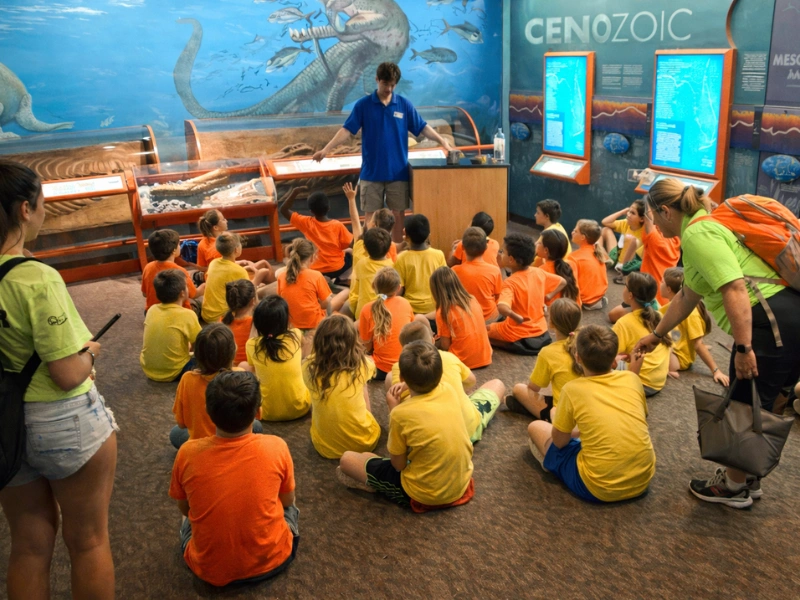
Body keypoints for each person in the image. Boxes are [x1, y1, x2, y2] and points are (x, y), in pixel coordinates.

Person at [634, 179, 800, 507]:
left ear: (665, 211)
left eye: (652, 214)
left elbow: (735, 289)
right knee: (761, 400)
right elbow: (687, 294)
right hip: (786, 316)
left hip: (769, 323)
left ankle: (734, 487)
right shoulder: (706, 227)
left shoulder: (698, 234)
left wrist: (743, 348)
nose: (652, 220)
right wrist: (657, 334)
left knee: (743, 401)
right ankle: (748, 477)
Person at [0, 159, 117, 599]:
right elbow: (67, 373)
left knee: (27, 547)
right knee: (88, 541)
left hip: (6, 424)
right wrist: (89, 352)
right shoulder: (37, 278)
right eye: (41, 201)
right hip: (61, 421)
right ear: (24, 210)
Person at [169, 370, 299, 587]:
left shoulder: (187, 453)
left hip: (208, 570)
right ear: (258, 412)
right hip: (275, 559)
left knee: (189, 515)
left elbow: (184, 509)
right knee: (289, 501)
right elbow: (286, 502)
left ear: (208, 412)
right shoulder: (277, 446)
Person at [313, 62, 453, 243]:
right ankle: (368, 251)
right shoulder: (363, 105)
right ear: (377, 80)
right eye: (385, 84)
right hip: (372, 172)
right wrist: (326, 149)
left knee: (398, 215)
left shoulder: (403, 105)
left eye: (392, 85)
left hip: (398, 172)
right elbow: (347, 130)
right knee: (370, 216)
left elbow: (422, 127)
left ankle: (395, 251)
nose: (388, 88)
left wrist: (443, 141)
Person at [337, 341, 475, 512]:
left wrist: (393, 408)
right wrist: (410, 385)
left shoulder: (400, 414)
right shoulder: (448, 389)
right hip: (461, 483)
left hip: (422, 495)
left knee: (346, 460)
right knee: (367, 457)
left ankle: (377, 484)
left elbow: (399, 465)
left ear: (402, 378)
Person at [528, 325, 656, 503]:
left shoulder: (572, 389)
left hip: (597, 487)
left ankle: (554, 465)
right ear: (614, 361)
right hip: (643, 480)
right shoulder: (632, 378)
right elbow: (641, 417)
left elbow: (560, 441)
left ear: (578, 358)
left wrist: (569, 426)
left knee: (535, 427)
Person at [385, 321, 503, 444]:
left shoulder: (399, 368)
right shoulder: (448, 357)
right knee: (497, 384)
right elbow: (471, 381)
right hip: (468, 429)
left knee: (390, 380)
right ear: (432, 340)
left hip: (430, 441)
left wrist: (392, 408)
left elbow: (399, 414)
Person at [170, 323, 263, 449]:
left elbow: (181, 423)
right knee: (256, 426)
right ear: (232, 351)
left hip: (201, 446)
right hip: (234, 439)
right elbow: (257, 415)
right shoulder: (241, 376)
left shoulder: (187, 379)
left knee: (176, 434)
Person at [304, 315, 380, 459]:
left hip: (325, 447)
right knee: (360, 386)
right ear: (353, 342)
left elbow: (309, 357)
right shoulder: (364, 365)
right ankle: (365, 420)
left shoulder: (308, 368)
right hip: (365, 442)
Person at [487, 232, 566, 355]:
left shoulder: (510, 283)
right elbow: (562, 281)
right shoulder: (538, 272)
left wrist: (516, 317)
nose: (500, 254)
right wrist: (549, 296)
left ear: (511, 259)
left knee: (485, 329)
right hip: (541, 329)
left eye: (503, 252)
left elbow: (502, 307)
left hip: (517, 333)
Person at [506, 298, 582, 421]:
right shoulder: (585, 342)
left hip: (565, 414)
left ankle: (540, 413)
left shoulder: (548, 352)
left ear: (551, 323)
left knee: (518, 389)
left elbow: (533, 388)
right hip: (588, 405)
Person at [244, 296, 311, 421]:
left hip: (267, 413)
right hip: (301, 408)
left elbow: (252, 368)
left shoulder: (252, 344)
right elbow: (304, 352)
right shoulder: (296, 335)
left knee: (244, 365)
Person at [661, 267, 729, 386]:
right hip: (675, 347)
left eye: (662, 282)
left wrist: (716, 371)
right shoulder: (677, 303)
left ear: (668, 289)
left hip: (678, 357)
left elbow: (698, 344)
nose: (659, 284)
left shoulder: (691, 313)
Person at [612, 272, 671, 397]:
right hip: (658, 382)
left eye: (625, 285)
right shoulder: (660, 317)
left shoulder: (624, 323)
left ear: (630, 295)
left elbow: (608, 356)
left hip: (639, 382)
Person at [140, 269, 202, 382]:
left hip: (148, 369)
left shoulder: (151, 310)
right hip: (175, 371)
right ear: (182, 293)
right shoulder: (188, 315)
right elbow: (199, 345)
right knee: (210, 352)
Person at [279, 189, 353, 283]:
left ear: (311, 211)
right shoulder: (337, 225)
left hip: (315, 269)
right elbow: (353, 244)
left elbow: (283, 210)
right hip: (336, 268)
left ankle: (323, 279)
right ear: (329, 207)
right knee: (351, 255)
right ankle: (342, 279)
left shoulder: (306, 222)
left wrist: (295, 192)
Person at [357, 267, 417, 380]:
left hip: (379, 369)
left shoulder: (366, 309)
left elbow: (367, 346)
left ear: (373, 286)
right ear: (398, 288)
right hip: (405, 366)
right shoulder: (405, 303)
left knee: (354, 356)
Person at [429, 266, 493, 369]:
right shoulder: (472, 299)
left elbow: (445, 346)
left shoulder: (443, 311)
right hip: (485, 357)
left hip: (461, 361)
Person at [196, 208, 274, 282]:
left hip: (213, 276)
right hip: (228, 278)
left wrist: (242, 262)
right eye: (223, 219)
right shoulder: (221, 245)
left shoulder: (201, 244)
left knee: (262, 265)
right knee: (264, 269)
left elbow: (202, 267)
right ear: (216, 227)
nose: (226, 221)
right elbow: (228, 267)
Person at [277, 238, 332, 339]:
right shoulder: (316, 275)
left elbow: (281, 300)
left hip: (290, 326)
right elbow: (326, 302)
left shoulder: (281, 276)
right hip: (313, 324)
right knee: (329, 303)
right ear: (311, 257)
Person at [394, 214, 447, 317]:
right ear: (429, 235)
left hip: (410, 312)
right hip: (434, 311)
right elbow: (443, 284)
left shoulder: (400, 258)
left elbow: (398, 290)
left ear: (406, 236)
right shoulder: (439, 255)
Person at [141, 228, 203, 313]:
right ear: (174, 250)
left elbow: (145, 294)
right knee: (197, 305)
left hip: (152, 312)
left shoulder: (148, 267)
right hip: (178, 313)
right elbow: (193, 294)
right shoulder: (180, 271)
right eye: (178, 244)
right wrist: (204, 286)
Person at [452, 226, 503, 322]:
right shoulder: (495, 271)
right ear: (486, 247)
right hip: (489, 318)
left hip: (465, 318)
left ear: (462, 247)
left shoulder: (454, 271)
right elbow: (498, 296)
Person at [202, 232, 255, 323]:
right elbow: (248, 293)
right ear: (236, 250)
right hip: (222, 317)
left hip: (206, 314)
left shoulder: (213, 263)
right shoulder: (239, 271)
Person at [344, 182, 398, 269]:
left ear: (373, 225)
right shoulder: (392, 247)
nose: (368, 221)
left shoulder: (360, 246)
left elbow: (355, 221)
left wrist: (351, 199)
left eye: (370, 219)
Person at [347, 227, 394, 319]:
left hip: (362, 313)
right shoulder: (393, 266)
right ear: (389, 249)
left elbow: (354, 292)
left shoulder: (361, 264)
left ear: (364, 248)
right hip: (386, 313)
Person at [640, 201, 681, 305]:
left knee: (614, 315)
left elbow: (649, 218)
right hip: (667, 299)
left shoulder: (655, 239)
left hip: (651, 298)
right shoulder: (677, 239)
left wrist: (650, 198)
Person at [601, 200, 645, 281]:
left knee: (633, 241)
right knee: (605, 230)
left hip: (629, 263)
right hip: (617, 256)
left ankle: (623, 269)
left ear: (642, 219)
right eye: (628, 211)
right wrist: (622, 212)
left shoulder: (646, 231)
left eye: (633, 213)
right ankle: (599, 258)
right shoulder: (626, 223)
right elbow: (605, 222)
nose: (628, 214)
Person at [569, 219, 609, 310]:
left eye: (575, 231)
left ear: (583, 237)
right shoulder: (598, 251)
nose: (572, 232)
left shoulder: (573, 258)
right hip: (598, 299)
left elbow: (572, 284)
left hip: (585, 302)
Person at [536, 229, 580, 307]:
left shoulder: (540, 271)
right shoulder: (571, 264)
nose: (536, 243)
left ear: (546, 250)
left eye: (539, 243)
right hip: (574, 311)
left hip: (553, 315)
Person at [222, 278, 256, 366]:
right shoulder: (255, 322)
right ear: (253, 301)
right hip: (248, 367)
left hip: (228, 365)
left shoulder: (222, 320)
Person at [532, 199, 572, 267]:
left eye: (538, 213)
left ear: (547, 216)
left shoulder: (549, 235)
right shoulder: (558, 226)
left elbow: (535, 258)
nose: (535, 215)